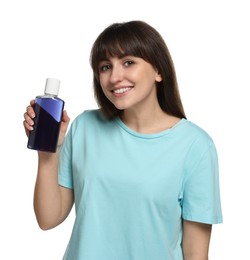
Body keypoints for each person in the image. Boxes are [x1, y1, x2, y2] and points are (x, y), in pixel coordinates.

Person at [23, 20, 223, 260]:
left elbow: (195, 254)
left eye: (128, 62)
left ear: (159, 71)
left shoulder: (195, 146)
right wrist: (48, 152)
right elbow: (48, 219)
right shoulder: (84, 127)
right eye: (105, 66)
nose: (115, 77)